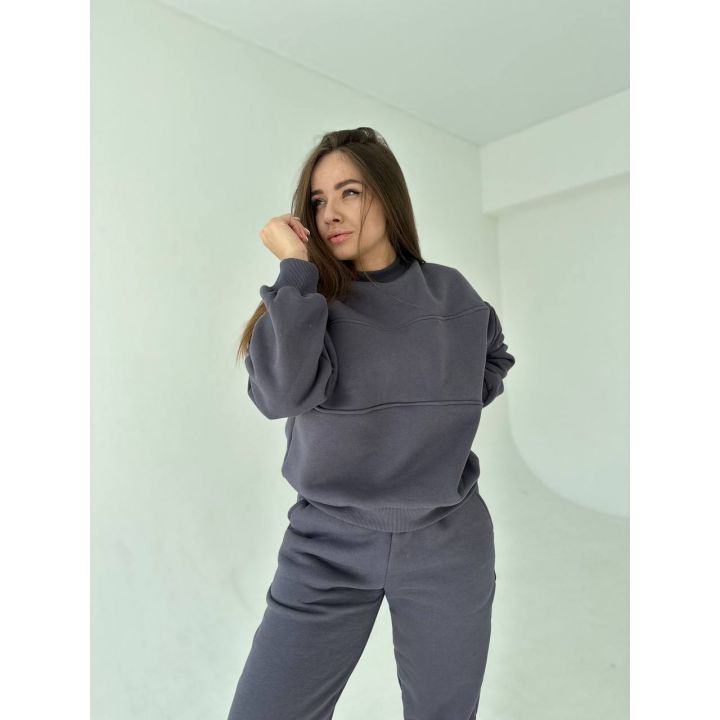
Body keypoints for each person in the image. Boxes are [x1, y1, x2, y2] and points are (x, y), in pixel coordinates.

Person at [228, 127, 515, 720]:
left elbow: (492, 356)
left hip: (447, 545)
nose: (330, 213)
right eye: (317, 200)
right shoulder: (309, 302)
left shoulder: (451, 293)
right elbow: (279, 395)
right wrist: (294, 269)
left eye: (350, 192)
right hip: (325, 547)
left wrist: (443, 407)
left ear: (388, 196)